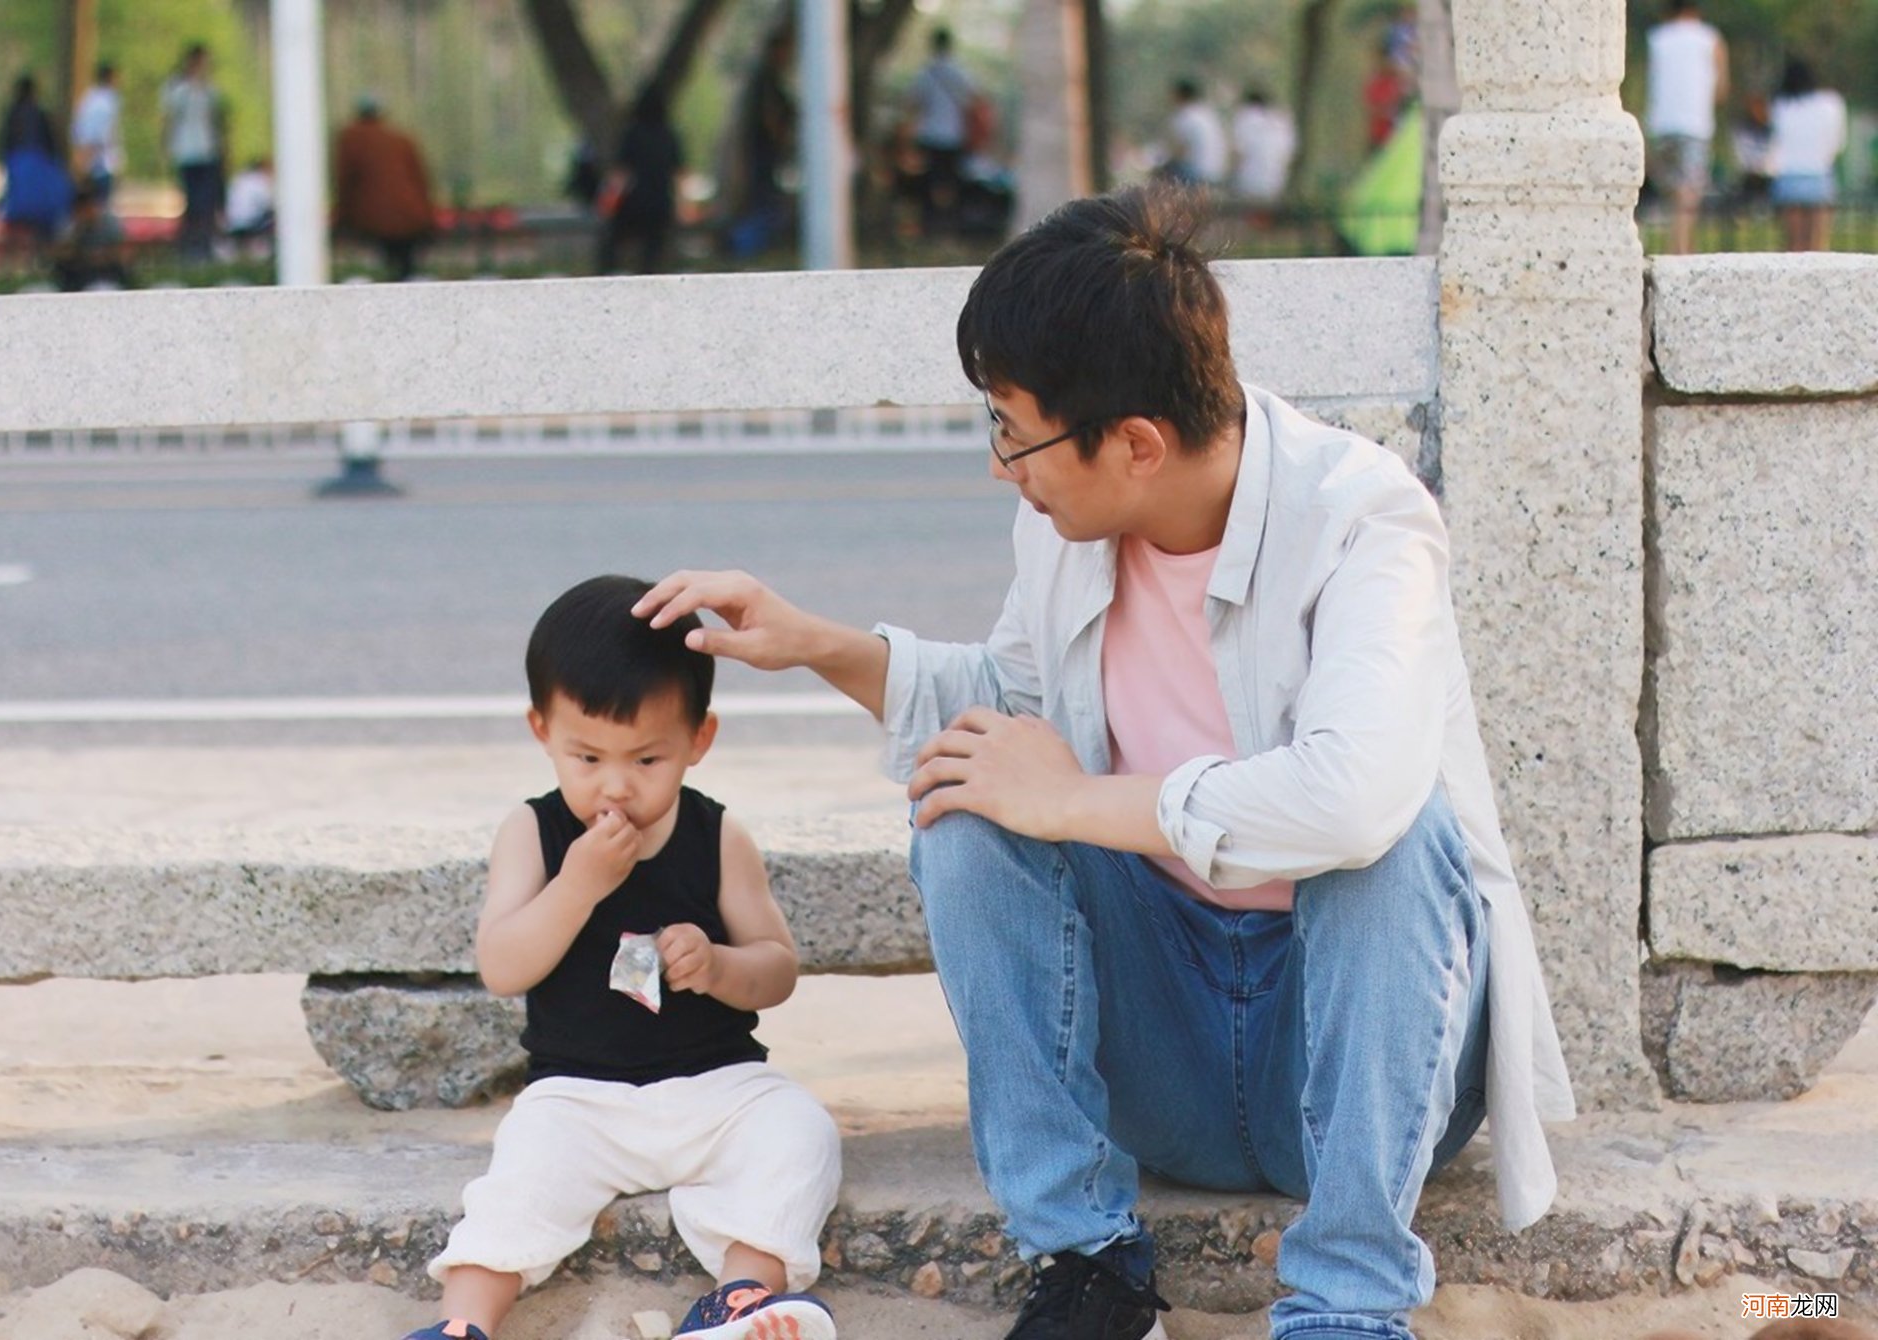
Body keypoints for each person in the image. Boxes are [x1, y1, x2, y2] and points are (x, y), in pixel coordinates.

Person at [635, 184, 1574, 1340]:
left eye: (1012, 430)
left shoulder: (1361, 515)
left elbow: (1353, 792)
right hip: (1165, 1052)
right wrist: (819, 642)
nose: (999, 466)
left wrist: (1079, 800)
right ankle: (1086, 1263)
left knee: (1396, 833)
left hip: (1350, 1049)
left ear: (1134, 443)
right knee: (964, 798)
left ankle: (1348, 1300)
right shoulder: (1064, 526)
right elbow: (1017, 710)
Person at [398, 575, 842, 1340]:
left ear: (699, 741)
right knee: (518, 1181)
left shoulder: (718, 835)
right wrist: (577, 884)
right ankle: (463, 1323)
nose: (616, 786)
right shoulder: (532, 833)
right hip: (579, 1095)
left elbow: (778, 966)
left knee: (800, 1132)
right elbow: (504, 966)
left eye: (646, 760)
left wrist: (718, 964)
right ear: (542, 730)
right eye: (587, 756)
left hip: (716, 1084)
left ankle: (738, 1301)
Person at [1644, 0, 1726, 255]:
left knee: (1673, 191)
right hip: (1694, 124)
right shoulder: (1710, 38)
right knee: (1689, 191)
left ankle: (1682, 244)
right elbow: (1721, 87)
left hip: (1661, 124)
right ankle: (1679, 248)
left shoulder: (1656, 38)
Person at [334, 96, 438, 281]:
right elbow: (420, 180)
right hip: (410, 215)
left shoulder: (351, 139)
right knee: (404, 265)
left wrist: (342, 217)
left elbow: (346, 181)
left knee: (391, 265)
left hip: (376, 218)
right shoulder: (401, 139)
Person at [597, 86, 682, 275]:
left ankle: (608, 272)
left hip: (634, 201)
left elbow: (621, 172)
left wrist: (608, 201)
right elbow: (679, 172)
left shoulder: (632, 134)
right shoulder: (669, 135)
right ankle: (649, 274)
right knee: (653, 249)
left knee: (613, 240)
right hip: (661, 202)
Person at [1768, 59, 1847, 253]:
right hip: (1819, 178)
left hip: (1788, 178)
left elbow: (1775, 143)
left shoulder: (1780, 106)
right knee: (1818, 247)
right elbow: (1838, 144)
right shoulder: (1831, 103)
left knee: (1794, 246)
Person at [729, 29, 795, 259]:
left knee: (769, 202)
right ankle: (743, 247)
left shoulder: (771, 79)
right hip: (764, 153)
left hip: (768, 153)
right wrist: (781, 137)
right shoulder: (765, 80)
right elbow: (769, 116)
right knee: (764, 203)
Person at [910, 27, 979, 237]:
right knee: (955, 182)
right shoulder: (959, 72)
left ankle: (929, 225)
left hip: (930, 135)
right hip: (955, 136)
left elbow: (912, 101)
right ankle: (955, 226)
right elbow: (975, 99)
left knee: (930, 181)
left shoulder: (926, 73)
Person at [162, 43, 225, 260]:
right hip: (187, 151)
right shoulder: (178, 89)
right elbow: (170, 120)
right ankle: (189, 246)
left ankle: (205, 244)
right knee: (192, 200)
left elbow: (216, 121)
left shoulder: (210, 90)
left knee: (207, 201)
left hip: (207, 151)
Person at [0, 73, 72, 249]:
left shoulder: (12, 116)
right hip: (40, 175)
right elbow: (55, 146)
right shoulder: (41, 115)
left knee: (21, 217)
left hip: (20, 174)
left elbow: (4, 146)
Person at [52, 183, 131, 292]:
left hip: (107, 274)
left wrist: (102, 256)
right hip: (78, 276)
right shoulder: (69, 225)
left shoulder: (109, 223)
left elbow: (123, 253)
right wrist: (79, 231)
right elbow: (61, 253)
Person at [1229, 88, 1297, 207]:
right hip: (1275, 186)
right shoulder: (1282, 122)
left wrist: (1230, 178)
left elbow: (1237, 155)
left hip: (1248, 184)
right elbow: (1288, 158)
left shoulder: (1245, 117)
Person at [70, 61, 124, 203]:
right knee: (101, 205)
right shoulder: (106, 102)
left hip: (90, 160)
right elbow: (98, 135)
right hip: (100, 162)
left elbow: (77, 131)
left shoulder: (87, 99)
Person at [1161, 79, 1229, 189]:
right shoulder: (1208, 113)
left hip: (1196, 175)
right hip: (1216, 174)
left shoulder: (1184, 115)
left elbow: (1180, 151)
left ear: (1179, 95)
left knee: (1165, 170)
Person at [225, 156, 275, 250]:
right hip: (250, 222)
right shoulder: (260, 181)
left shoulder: (239, 178)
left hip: (233, 221)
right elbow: (268, 203)